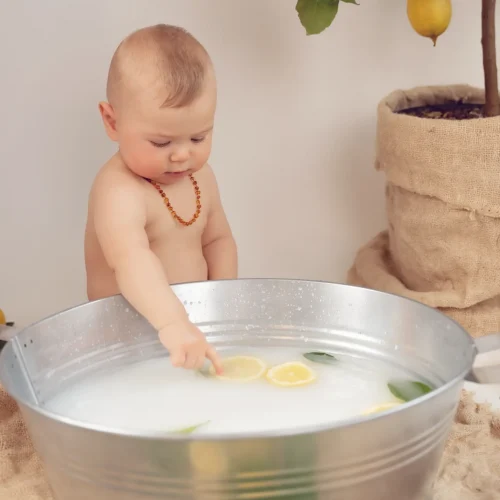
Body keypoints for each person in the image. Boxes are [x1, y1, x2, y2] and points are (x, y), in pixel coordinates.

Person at [84, 24, 237, 374]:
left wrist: (223, 307)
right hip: (125, 344)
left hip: (191, 333)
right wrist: (172, 324)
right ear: (112, 121)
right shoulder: (119, 190)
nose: (182, 155)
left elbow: (218, 241)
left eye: (198, 138)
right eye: (161, 143)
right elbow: (131, 260)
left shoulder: (201, 177)